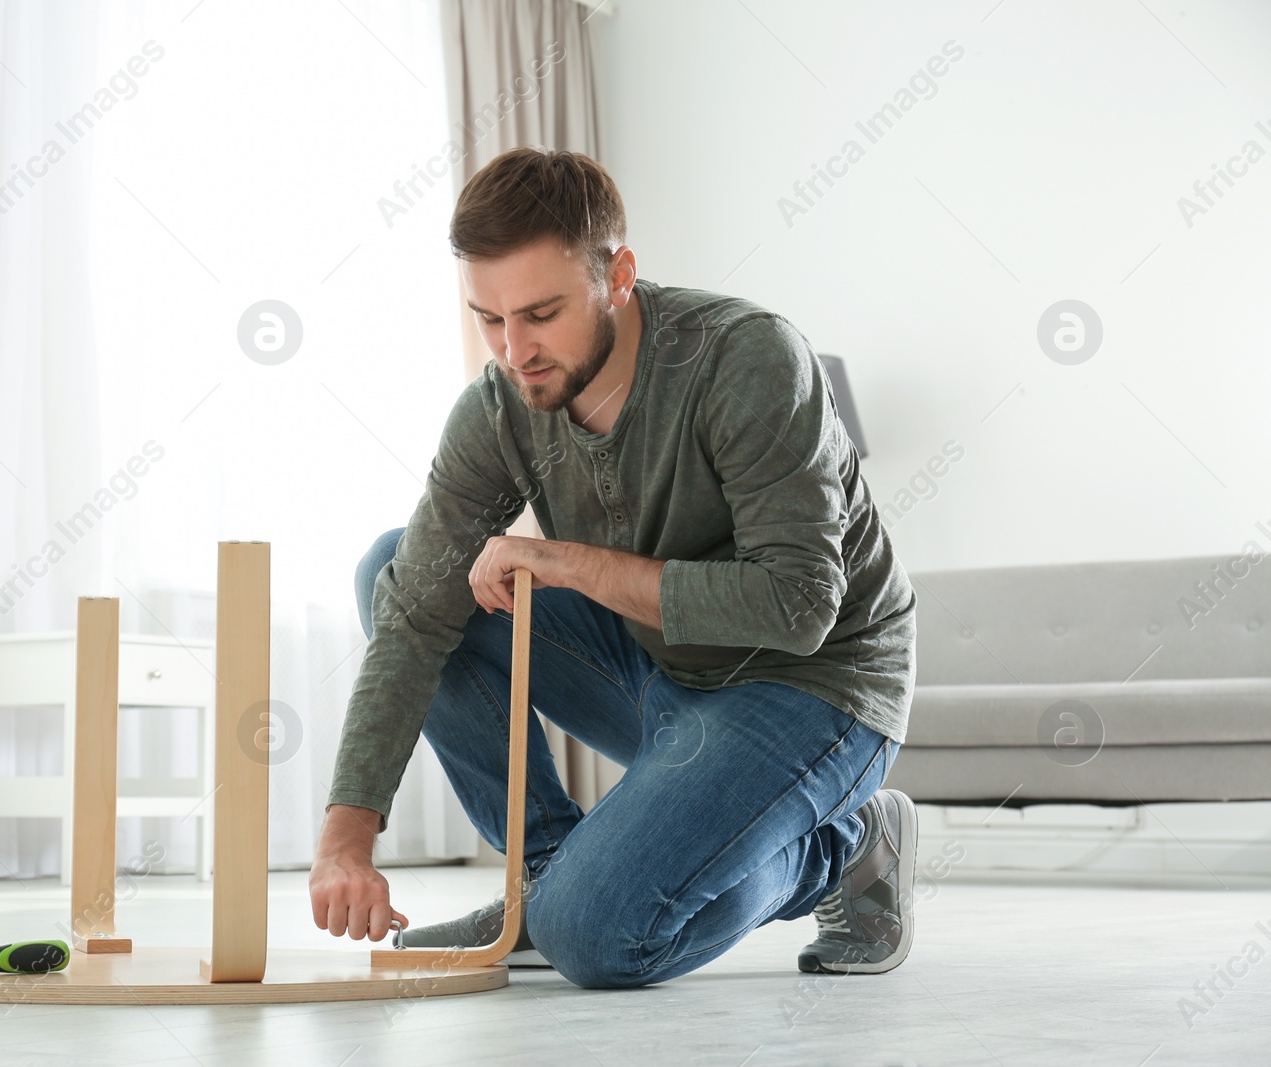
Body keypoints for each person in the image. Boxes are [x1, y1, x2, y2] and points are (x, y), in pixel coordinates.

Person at [307, 146, 919, 988]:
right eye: (489, 318)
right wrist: (345, 841)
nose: (514, 350)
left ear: (618, 274)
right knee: (398, 567)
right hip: (662, 667)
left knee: (597, 939)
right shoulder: (499, 408)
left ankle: (843, 845)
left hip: (811, 689)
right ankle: (542, 878)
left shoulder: (749, 360)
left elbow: (798, 604)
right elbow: (414, 614)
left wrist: (566, 561)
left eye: (542, 313)